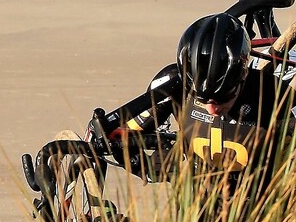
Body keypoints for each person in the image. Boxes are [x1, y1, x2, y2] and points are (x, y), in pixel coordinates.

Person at [32, 12, 296, 220]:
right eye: (204, 99)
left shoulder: (277, 98)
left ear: (244, 76)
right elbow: (114, 137)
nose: (213, 108)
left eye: (223, 99)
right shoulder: (171, 86)